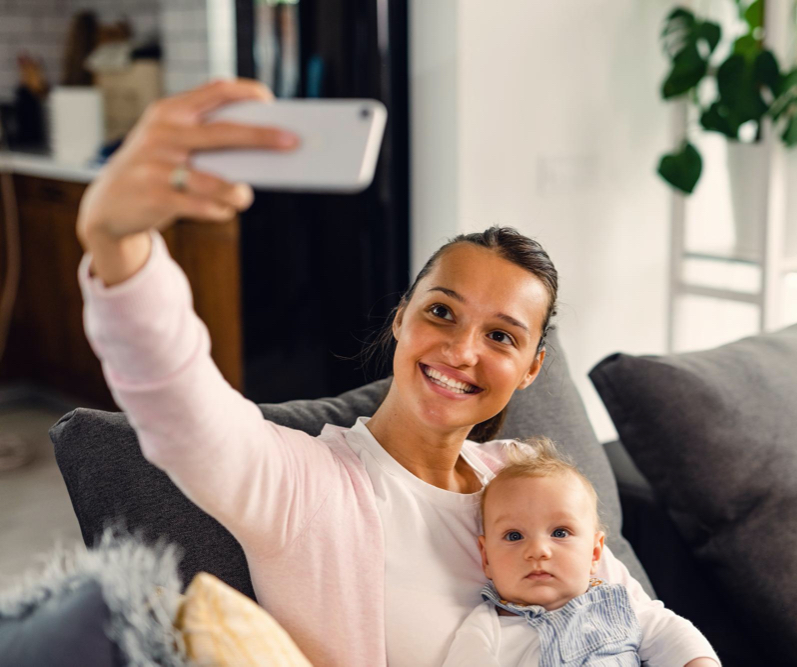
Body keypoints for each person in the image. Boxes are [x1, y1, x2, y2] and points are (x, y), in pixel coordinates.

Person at [75, 77, 718, 667]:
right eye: (442, 312)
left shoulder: (526, 475)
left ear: (530, 369)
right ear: (401, 320)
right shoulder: (306, 488)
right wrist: (117, 242)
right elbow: (181, 411)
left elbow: (647, 622)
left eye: (500, 335)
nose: (462, 350)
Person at [443, 438, 719, 667]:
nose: (538, 550)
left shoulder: (616, 606)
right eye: (514, 536)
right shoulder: (485, 629)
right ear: (487, 557)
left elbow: (671, 634)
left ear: (595, 554)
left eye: (560, 533)